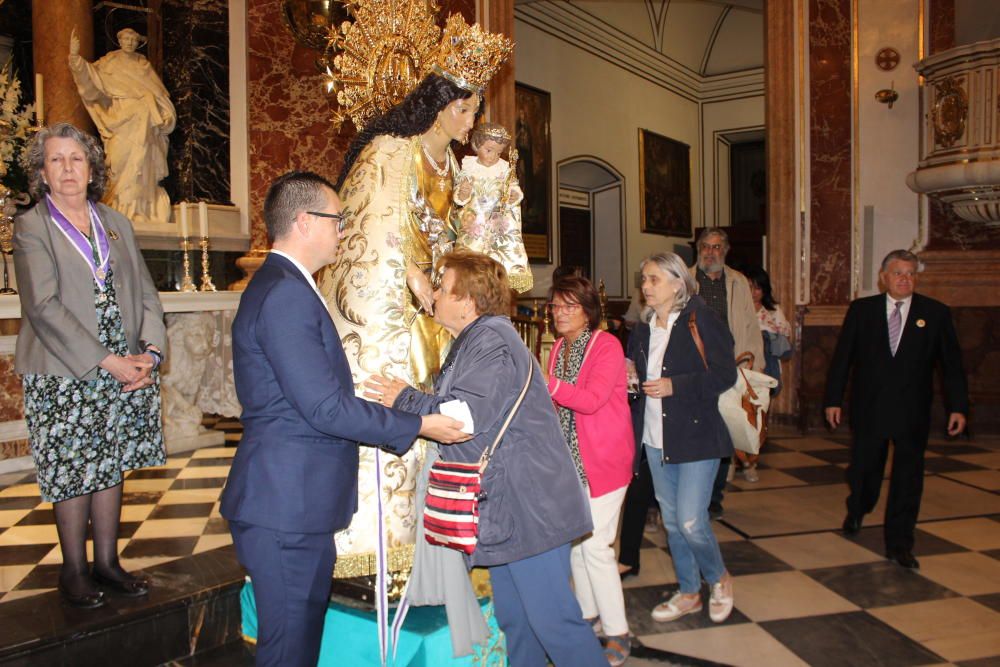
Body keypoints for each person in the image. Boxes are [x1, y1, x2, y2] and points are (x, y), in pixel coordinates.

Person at [219, 171, 469, 667]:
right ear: (304, 222)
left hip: (296, 503)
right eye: (337, 220)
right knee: (288, 649)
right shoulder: (285, 292)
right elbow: (324, 408)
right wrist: (419, 425)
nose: (343, 231)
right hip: (284, 506)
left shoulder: (289, 284)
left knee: (298, 644)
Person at [316, 16, 512, 560]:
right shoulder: (389, 151)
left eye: (476, 111)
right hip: (397, 301)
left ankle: (438, 524)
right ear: (440, 103)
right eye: (466, 109)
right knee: (400, 390)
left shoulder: (449, 161)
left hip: (436, 304)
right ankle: (379, 539)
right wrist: (410, 273)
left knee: (444, 399)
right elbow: (370, 225)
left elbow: (447, 231)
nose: (472, 122)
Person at [365, 249, 606, 667]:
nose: (435, 293)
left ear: (469, 301)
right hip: (510, 508)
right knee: (518, 622)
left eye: (444, 287)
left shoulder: (492, 341)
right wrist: (413, 274)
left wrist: (402, 398)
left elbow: (461, 419)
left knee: (555, 624)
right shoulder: (477, 337)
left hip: (533, 509)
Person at [13, 122, 166, 609]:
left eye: (76, 158)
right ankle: (74, 570)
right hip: (65, 370)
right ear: (42, 172)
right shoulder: (32, 226)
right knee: (73, 467)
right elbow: (43, 306)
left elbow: (144, 292)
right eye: (56, 160)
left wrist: (150, 353)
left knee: (111, 461)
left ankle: (107, 562)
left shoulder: (116, 223)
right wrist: (108, 362)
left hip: (124, 366)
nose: (67, 168)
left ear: (91, 168)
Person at [824, 249, 968, 570]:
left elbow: (952, 365)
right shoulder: (862, 311)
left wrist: (958, 407)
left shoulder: (935, 313)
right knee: (864, 470)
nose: (905, 279)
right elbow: (842, 359)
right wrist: (833, 399)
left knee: (908, 478)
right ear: (883, 277)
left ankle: (900, 543)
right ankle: (858, 507)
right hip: (870, 409)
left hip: (912, 412)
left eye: (911, 273)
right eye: (898, 273)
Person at [628, 252, 737, 624]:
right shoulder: (642, 330)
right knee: (673, 523)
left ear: (678, 283)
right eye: (643, 279)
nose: (645, 287)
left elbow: (725, 375)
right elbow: (636, 378)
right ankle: (689, 592)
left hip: (696, 436)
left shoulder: (701, 320)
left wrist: (677, 385)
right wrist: (628, 373)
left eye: (654, 279)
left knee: (691, 521)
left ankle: (718, 578)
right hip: (656, 440)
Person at [545, 276, 634, 666]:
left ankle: (618, 631)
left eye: (570, 306)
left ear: (588, 310)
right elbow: (557, 406)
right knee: (579, 543)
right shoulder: (560, 348)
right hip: (572, 462)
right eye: (555, 306)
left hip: (606, 459)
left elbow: (594, 400)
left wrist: (546, 385)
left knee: (596, 546)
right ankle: (588, 615)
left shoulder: (606, 345)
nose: (560, 313)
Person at [688, 227, 763, 519]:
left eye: (717, 247)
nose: (710, 252)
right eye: (705, 246)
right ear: (698, 249)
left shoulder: (737, 282)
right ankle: (694, 494)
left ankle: (714, 497)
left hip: (729, 368)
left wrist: (754, 368)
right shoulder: (686, 279)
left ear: (726, 251)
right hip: (693, 367)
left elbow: (750, 326)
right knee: (695, 432)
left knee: (724, 434)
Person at [68, 28, 176, 226]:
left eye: (133, 39)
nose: (129, 42)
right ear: (119, 40)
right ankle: (119, 209)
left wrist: (166, 116)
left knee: (142, 167)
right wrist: (75, 59)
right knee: (118, 163)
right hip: (121, 122)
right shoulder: (110, 63)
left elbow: (162, 98)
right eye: (126, 38)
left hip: (145, 125)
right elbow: (90, 78)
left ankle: (141, 209)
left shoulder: (144, 66)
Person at [453, 122, 533, 293]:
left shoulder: (504, 167)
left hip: (497, 220)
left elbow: (514, 186)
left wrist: (514, 195)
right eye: (488, 150)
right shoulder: (469, 165)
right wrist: (463, 193)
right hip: (476, 219)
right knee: (472, 258)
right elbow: (460, 192)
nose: (493, 157)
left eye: (498, 152)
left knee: (498, 255)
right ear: (477, 145)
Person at [737, 266, 793, 482]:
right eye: (750, 287)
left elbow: (786, 334)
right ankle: (736, 460)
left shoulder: (772, 310)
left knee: (758, 418)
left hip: (765, 368)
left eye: (758, 288)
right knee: (738, 416)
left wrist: (769, 332)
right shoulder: (738, 308)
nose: (754, 292)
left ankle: (751, 463)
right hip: (741, 367)